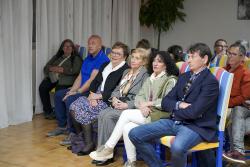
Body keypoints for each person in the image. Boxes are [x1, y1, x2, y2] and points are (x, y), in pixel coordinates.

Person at [128, 43, 220, 167]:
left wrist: (174, 110)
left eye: (193, 57)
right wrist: (180, 104)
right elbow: (166, 101)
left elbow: (194, 112)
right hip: (174, 121)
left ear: (205, 59)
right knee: (134, 134)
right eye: (189, 56)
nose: (189, 60)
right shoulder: (184, 76)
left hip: (196, 127)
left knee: (177, 147)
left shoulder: (210, 82)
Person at [89, 51, 179, 167]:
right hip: (147, 112)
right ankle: (131, 162)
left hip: (161, 116)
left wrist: (147, 104)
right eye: (154, 60)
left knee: (126, 114)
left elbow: (168, 102)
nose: (155, 63)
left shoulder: (170, 80)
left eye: (160, 61)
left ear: (166, 65)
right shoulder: (151, 78)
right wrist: (142, 105)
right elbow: (139, 97)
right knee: (127, 127)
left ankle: (108, 147)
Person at [46, 35, 110, 146]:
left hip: (91, 92)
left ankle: (74, 133)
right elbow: (80, 77)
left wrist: (76, 92)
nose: (90, 45)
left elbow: (91, 81)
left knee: (70, 99)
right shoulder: (87, 58)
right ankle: (62, 127)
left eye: (93, 43)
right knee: (58, 94)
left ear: (100, 45)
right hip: (81, 89)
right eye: (89, 43)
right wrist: (72, 90)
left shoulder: (103, 60)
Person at [69, 42, 130, 156]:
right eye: (113, 52)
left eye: (118, 53)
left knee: (84, 110)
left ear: (125, 56)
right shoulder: (105, 65)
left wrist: (99, 97)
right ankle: (82, 138)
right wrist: (92, 95)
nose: (114, 55)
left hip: (108, 100)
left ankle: (89, 144)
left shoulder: (126, 70)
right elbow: (94, 82)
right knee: (73, 106)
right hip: (95, 95)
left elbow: (120, 92)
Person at [91, 48, 150, 166]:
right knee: (103, 113)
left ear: (144, 62)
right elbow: (118, 89)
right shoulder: (127, 72)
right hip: (119, 103)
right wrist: (113, 98)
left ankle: (107, 154)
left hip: (133, 107)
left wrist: (127, 105)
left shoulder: (146, 76)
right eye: (132, 57)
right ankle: (104, 150)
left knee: (108, 115)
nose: (133, 60)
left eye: (137, 58)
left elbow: (145, 97)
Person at [39, 39, 83, 119]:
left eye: (70, 46)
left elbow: (77, 70)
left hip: (66, 79)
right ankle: (48, 112)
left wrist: (63, 69)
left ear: (72, 48)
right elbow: (46, 67)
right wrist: (52, 68)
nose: (68, 48)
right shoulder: (57, 57)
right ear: (62, 48)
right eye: (66, 46)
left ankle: (60, 114)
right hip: (53, 78)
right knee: (42, 88)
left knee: (58, 92)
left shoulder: (76, 58)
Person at [223, 43, 250, 119]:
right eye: (229, 53)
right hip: (215, 104)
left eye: (234, 54)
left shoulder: (246, 74)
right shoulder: (222, 70)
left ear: (242, 58)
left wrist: (224, 103)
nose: (230, 56)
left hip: (231, 107)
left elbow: (243, 98)